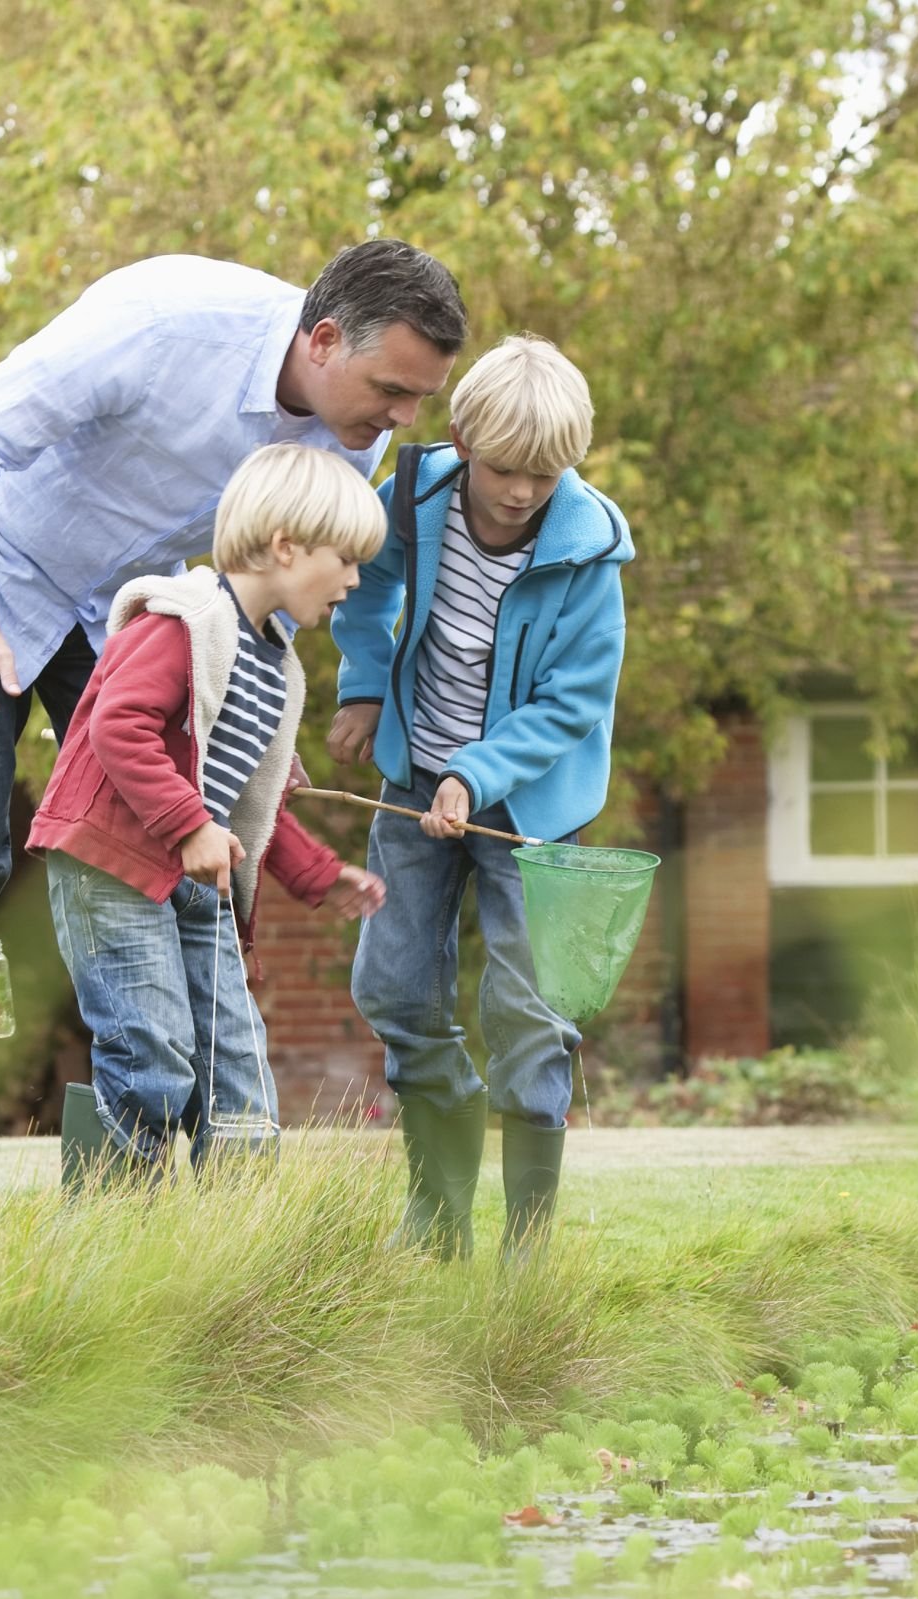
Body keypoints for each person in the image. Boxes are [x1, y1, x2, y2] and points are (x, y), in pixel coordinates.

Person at [0, 242, 465, 1212]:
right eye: (393, 389)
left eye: (418, 400)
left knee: (188, 836)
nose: (402, 421)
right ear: (322, 341)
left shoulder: (350, 433)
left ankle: (184, 1163)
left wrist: (259, 747)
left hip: (122, 609)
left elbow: (281, 581)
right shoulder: (161, 322)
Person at [328, 335, 632, 1261]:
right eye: (504, 469)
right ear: (462, 438)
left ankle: (527, 1241)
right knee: (393, 983)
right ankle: (438, 1211)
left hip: (532, 806)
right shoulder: (412, 501)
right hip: (414, 780)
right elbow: (363, 588)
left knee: (531, 1009)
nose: (522, 492)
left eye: (546, 474)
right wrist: (365, 687)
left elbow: (573, 702)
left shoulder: (590, 552)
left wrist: (479, 775)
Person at [29, 443, 388, 1181]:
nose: (355, 580)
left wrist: (318, 874)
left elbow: (251, 805)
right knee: (151, 1053)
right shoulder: (183, 623)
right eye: (346, 559)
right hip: (115, 862)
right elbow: (117, 726)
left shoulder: (275, 665)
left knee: (239, 1070)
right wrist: (190, 825)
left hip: (197, 880)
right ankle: (112, 1234)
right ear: (285, 546)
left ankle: (236, 1245)